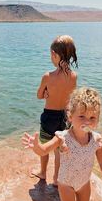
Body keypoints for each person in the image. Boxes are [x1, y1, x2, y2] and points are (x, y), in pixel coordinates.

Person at [31, 35, 78, 186]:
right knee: (59, 149)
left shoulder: (48, 76)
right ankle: (57, 178)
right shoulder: (73, 76)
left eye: (51, 54)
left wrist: (45, 93)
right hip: (64, 117)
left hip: (49, 117)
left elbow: (39, 95)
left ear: (54, 54)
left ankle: (43, 172)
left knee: (44, 144)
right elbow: (71, 97)